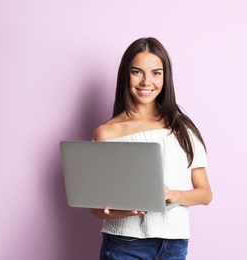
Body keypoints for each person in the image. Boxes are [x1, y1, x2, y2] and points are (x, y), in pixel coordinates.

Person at [90, 37, 213, 260]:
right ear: (125, 75)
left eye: (156, 73)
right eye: (137, 72)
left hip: (175, 244)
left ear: (166, 78)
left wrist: (172, 195)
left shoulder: (183, 129)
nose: (147, 82)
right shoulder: (107, 133)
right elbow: (96, 208)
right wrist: (118, 212)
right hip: (124, 244)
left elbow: (205, 193)